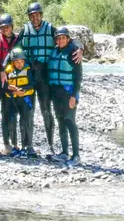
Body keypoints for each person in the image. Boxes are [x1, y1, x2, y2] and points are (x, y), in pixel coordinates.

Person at [15, 1, 59, 149]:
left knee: (46, 109)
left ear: (41, 15)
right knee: (29, 110)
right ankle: (29, 145)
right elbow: (15, 50)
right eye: (32, 16)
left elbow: (67, 42)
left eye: (37, 15)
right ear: (29, 17)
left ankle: (50, 144)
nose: (35, 18)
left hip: (45, 75)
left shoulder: (51, 29)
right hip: (29, 75)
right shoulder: (25, 30)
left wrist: (79, 50)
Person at [45, 24, 84, 163]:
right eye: (58, 38)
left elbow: (78, 77)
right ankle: (64, 152)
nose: (60, 40)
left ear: (68, 39)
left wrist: (74, 95)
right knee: (61, 121)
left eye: (63, 38)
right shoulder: (55, 52)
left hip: (69, 93)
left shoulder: (74, 52)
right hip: (56, 92)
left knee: (69, 121)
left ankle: (76, 155)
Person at [0, 49, 36, 157]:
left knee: (24, 123)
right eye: (17, 62)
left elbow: (32, 85)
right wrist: (11, 90)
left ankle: (25, 147)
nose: (20, 64)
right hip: (12, 100)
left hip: (24, 99)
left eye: (21, 62)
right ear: (12, 62)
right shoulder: (8, 71)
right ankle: (15, 146)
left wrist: (21, 90)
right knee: (12, 122)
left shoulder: (28, 70)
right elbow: (3, 86)